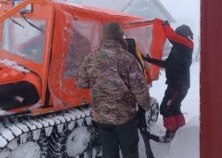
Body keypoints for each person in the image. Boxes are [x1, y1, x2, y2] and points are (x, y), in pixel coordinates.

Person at [77, 22, 151, 158]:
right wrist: (145, 106)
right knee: (130, 151)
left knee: (109, 152)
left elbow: (81, 83)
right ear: (120, 36)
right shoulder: (128, 58)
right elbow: (140, 90)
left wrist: (99, 82)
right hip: (124, 117)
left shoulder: (90, 58)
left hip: (101, 117)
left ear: (103, 37)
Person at [142, 20, 194, 143]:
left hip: (178, 85)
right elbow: (167, 64)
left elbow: (172, 36)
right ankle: (180, 132)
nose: (175, 37)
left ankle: (169, 135)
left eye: (177, 34)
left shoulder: (187, 43)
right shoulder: (179, 48)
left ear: (182, 35)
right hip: (177, 84)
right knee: (174, 107)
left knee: (165, 108)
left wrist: (165, 25)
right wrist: (149, 60)